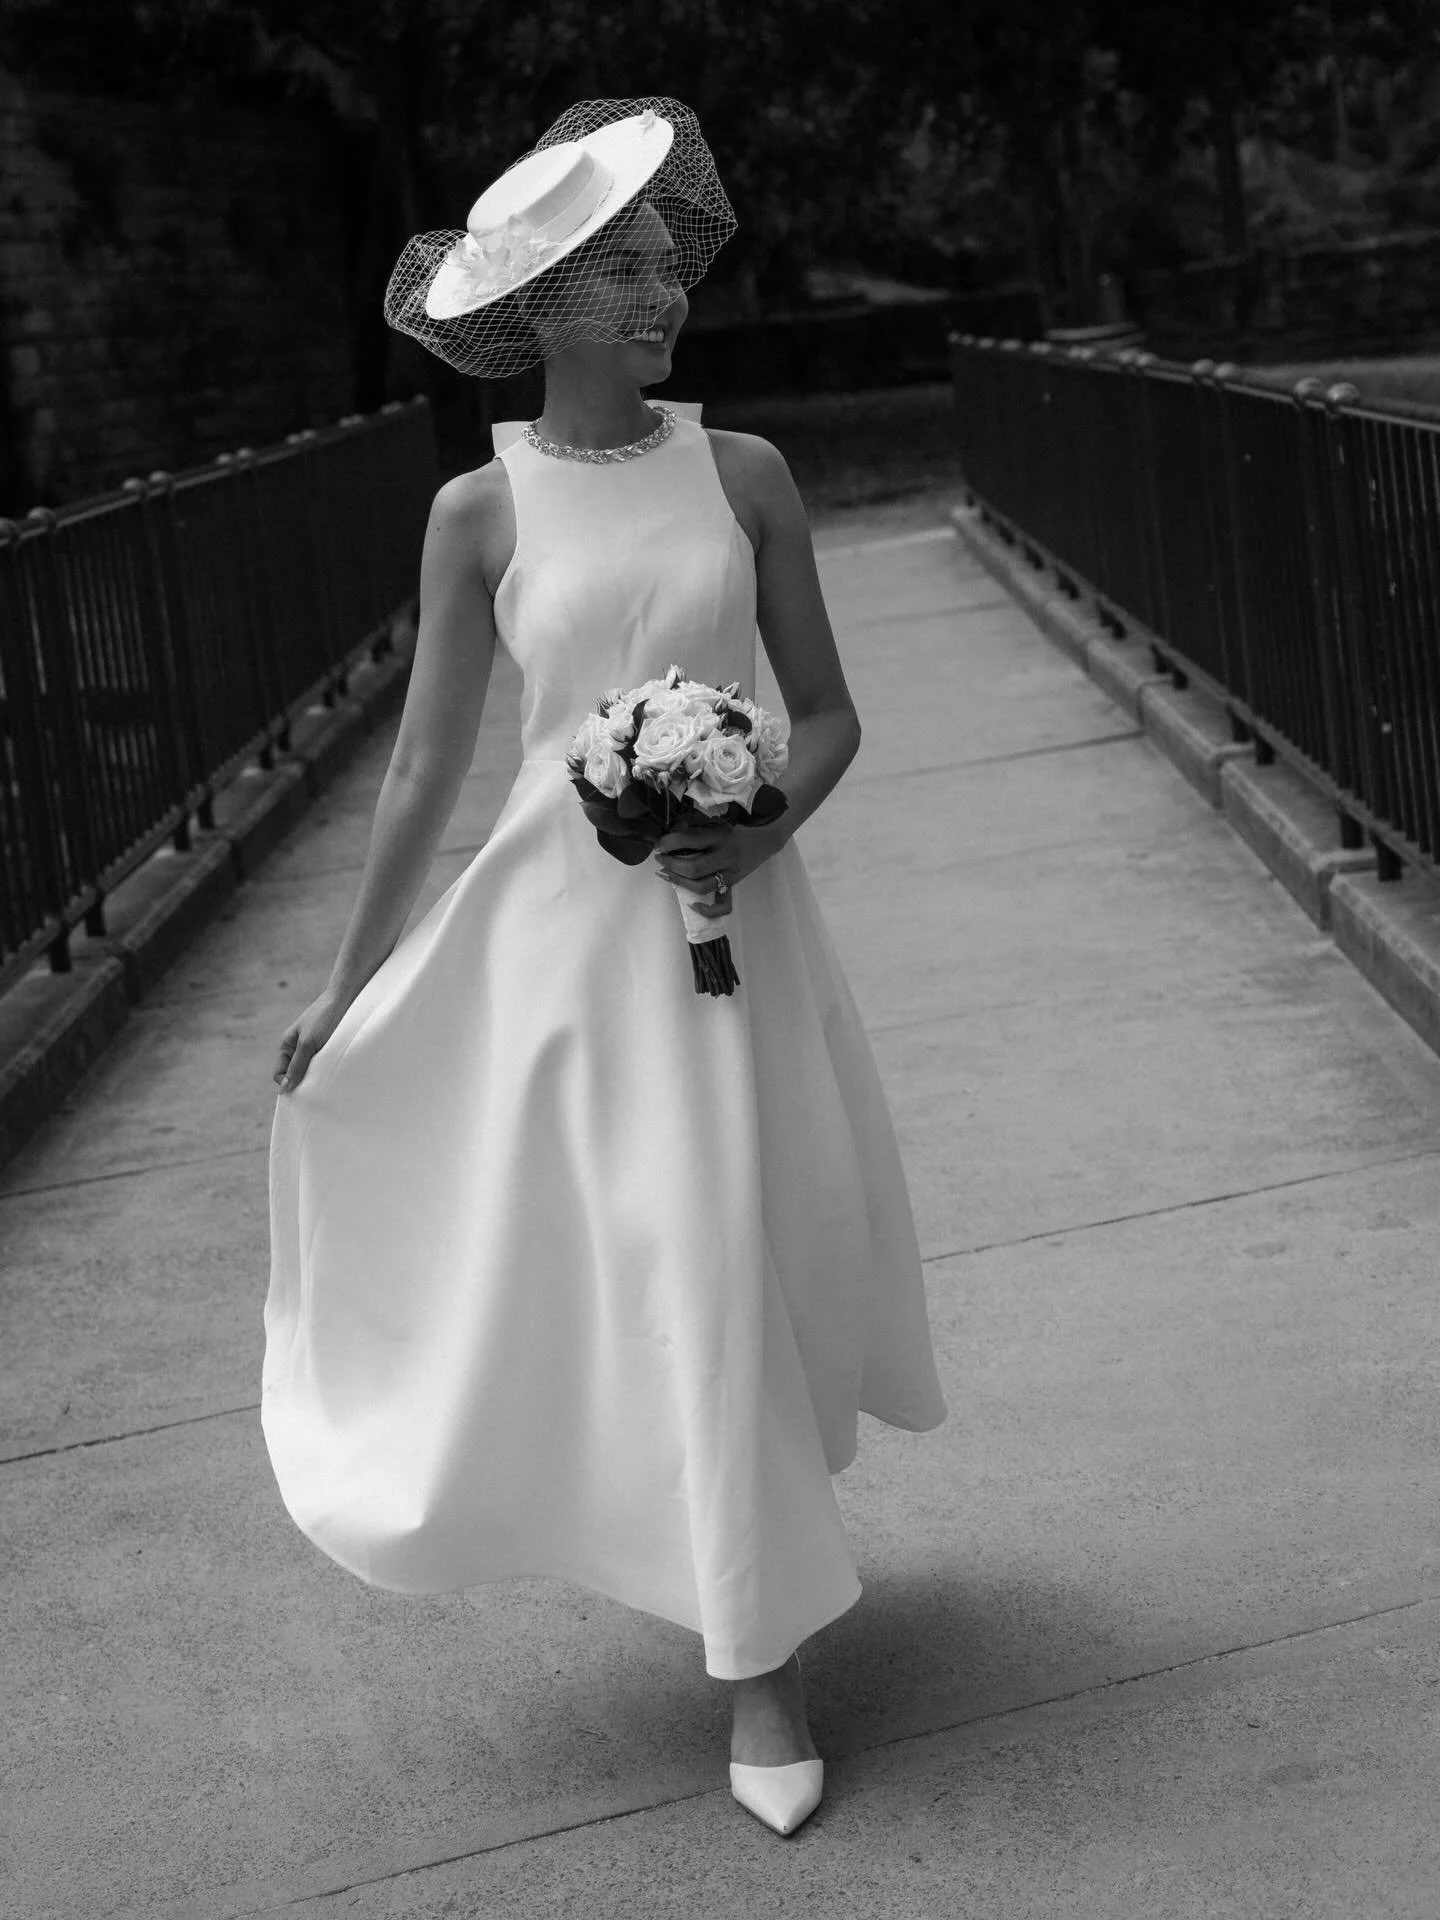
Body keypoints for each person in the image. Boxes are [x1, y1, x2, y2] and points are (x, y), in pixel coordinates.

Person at [262, 96, 947, 1839]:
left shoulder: (749, 474)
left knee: (732, 1251)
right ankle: (755, 1651)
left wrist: (763, 826)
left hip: (737, 933)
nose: (656, 295)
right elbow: (426, 768)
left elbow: (833, 711)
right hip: (558, 955)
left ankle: (761, 1654)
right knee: (649, 1267)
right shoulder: (472, 513)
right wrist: (346, 985)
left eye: (663, 265)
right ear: (538, 305)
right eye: (613, 271)